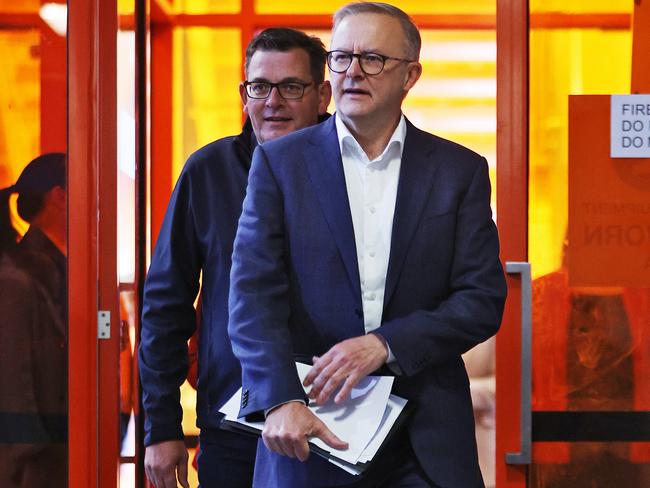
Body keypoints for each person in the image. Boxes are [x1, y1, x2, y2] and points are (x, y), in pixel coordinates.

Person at [228, 3, 507, 487]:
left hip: (425, 442)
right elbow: (253, 297)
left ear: (410, 75)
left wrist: (384, 345)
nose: (352, 71)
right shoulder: (280, 164)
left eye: (373, 58)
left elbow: (481, 300)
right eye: (341, 57)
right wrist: (279, 399)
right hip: (310, 430)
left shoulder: (458, 171)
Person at [138, 28, 331, 488]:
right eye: (259, 87)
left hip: (335, 422)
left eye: (291, 87)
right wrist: (161, 427)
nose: (272, 101)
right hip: (234, 426)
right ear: (244, 95)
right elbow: (165, 305)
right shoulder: (207, 172)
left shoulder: (353, 172)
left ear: (323, 95)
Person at [0, 153, 68, 487]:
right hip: (38, 464)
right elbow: (15, 378)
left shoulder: (57, 266)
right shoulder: (20, 278)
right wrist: (25, 462)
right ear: (60, 196)